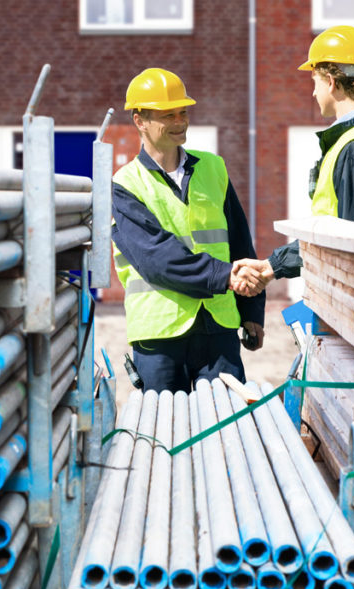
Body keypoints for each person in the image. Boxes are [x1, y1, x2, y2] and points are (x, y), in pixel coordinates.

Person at [111, 67, 266, 393]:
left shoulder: (213, 168)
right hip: (160, 334)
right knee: (164, 423)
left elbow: (239, 241)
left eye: (183, 112)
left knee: (225, 419)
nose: (180, 122)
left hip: (218, 325)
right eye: (168, 115)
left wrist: (252, 309)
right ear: (140, 120)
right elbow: (156, 259)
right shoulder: (125, 185)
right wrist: (226, 277)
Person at [235, 25, 354, 284]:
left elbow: (352, 247)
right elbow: (336, 233)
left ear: (331, 82)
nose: (313, 92)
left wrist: (274, 266)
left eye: (314, 82)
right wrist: (272, 265)